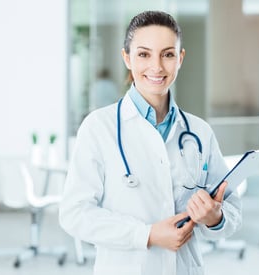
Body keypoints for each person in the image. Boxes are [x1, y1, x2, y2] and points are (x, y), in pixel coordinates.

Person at [59, 10, 242, 275]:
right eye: (144, 54)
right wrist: (147, 235)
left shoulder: (199, 132)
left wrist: (216, 218)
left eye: (167, 54)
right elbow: (75, 214)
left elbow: (231, 208)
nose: (156, 67)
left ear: (180, 59)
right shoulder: (99, 127)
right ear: (127, 58)